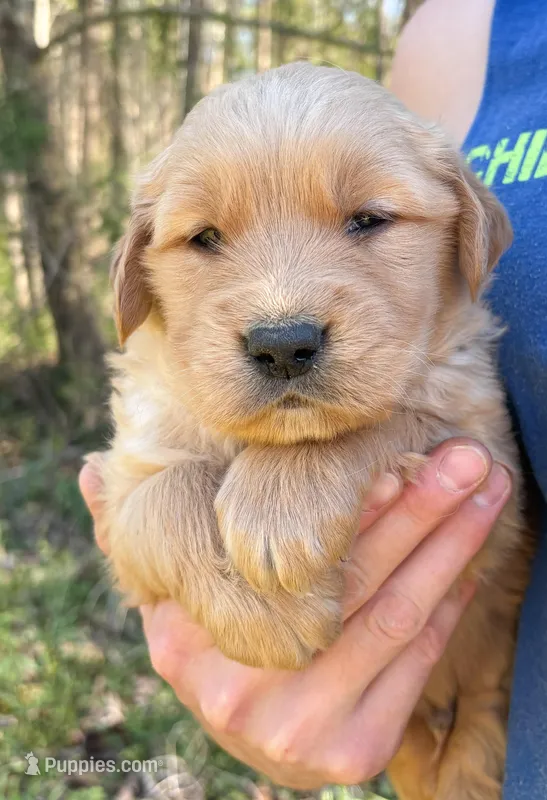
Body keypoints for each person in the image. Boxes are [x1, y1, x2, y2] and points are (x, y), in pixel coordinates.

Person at [80, 0, 547, 793]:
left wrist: (339, 461)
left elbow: (496, 502)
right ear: (138, 272)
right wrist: (186, 543)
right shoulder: (451, 35)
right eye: (203, 238)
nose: (280, 315)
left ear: (467, 233)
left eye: (366, 220)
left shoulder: (444, 351)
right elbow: (131, 513)